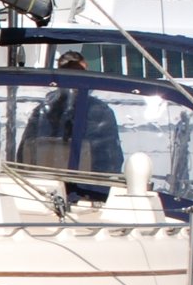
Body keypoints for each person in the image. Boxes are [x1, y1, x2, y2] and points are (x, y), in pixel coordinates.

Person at [20, 50, 124, 185]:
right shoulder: (41, 112)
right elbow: (24, 155)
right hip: (42, 187)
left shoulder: (101, 113)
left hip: (88, 189)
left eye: (78, 74)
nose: (73, 82)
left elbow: (111, 161)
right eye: (68, 75)